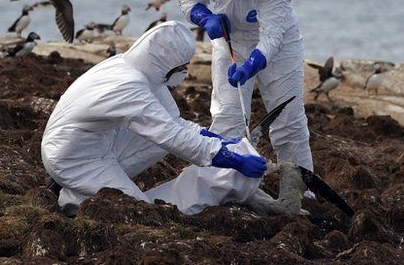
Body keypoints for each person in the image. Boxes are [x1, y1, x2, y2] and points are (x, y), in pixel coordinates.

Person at [40, 21, 267, 215]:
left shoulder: (140, 69)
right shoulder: (129, 87)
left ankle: (74, 195)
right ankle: (74, 191)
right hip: (72, 157)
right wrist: (231, 159)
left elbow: (173, 122)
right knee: (136, 210)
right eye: (182, 67)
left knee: (158, 141)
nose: (185, 71)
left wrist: (215, 140)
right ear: (167, 62)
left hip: (95, 141)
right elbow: (171, 135)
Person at [178, 0, 313, 171]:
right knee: (228, 116)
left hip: (280, 43)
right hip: (230, 41)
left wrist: (252, 64)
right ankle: (219, 183)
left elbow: (272, 35)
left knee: (288, 120)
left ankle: (299, 186)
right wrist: (205, 18)